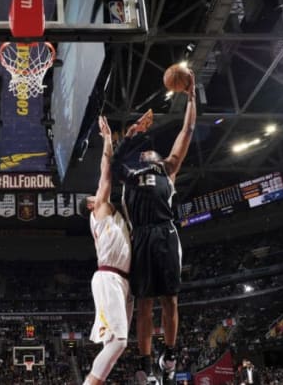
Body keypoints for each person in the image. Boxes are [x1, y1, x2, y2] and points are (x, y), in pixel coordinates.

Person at [111, 70, 196, 385]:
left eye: (151, 150)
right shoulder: (130, 175)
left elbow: (187, 129)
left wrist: (192, 97)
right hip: (142, 235)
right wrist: (131, 135)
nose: (147, 152)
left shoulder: (168, 170)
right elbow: (113, 164)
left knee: (170, 300)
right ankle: (146, 364)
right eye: (143, 151)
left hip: (166, 232)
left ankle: (170, 353)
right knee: (145, 304)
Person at [78, 115, 133, 385]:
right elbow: (106, 173)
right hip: (109, 277)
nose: (98, 194)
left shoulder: (110, 214)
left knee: (113, 342)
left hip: (121, 280)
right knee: (120, 341)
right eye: (94, 196)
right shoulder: (99, 210)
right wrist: (108, 141)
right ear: (90, 206)